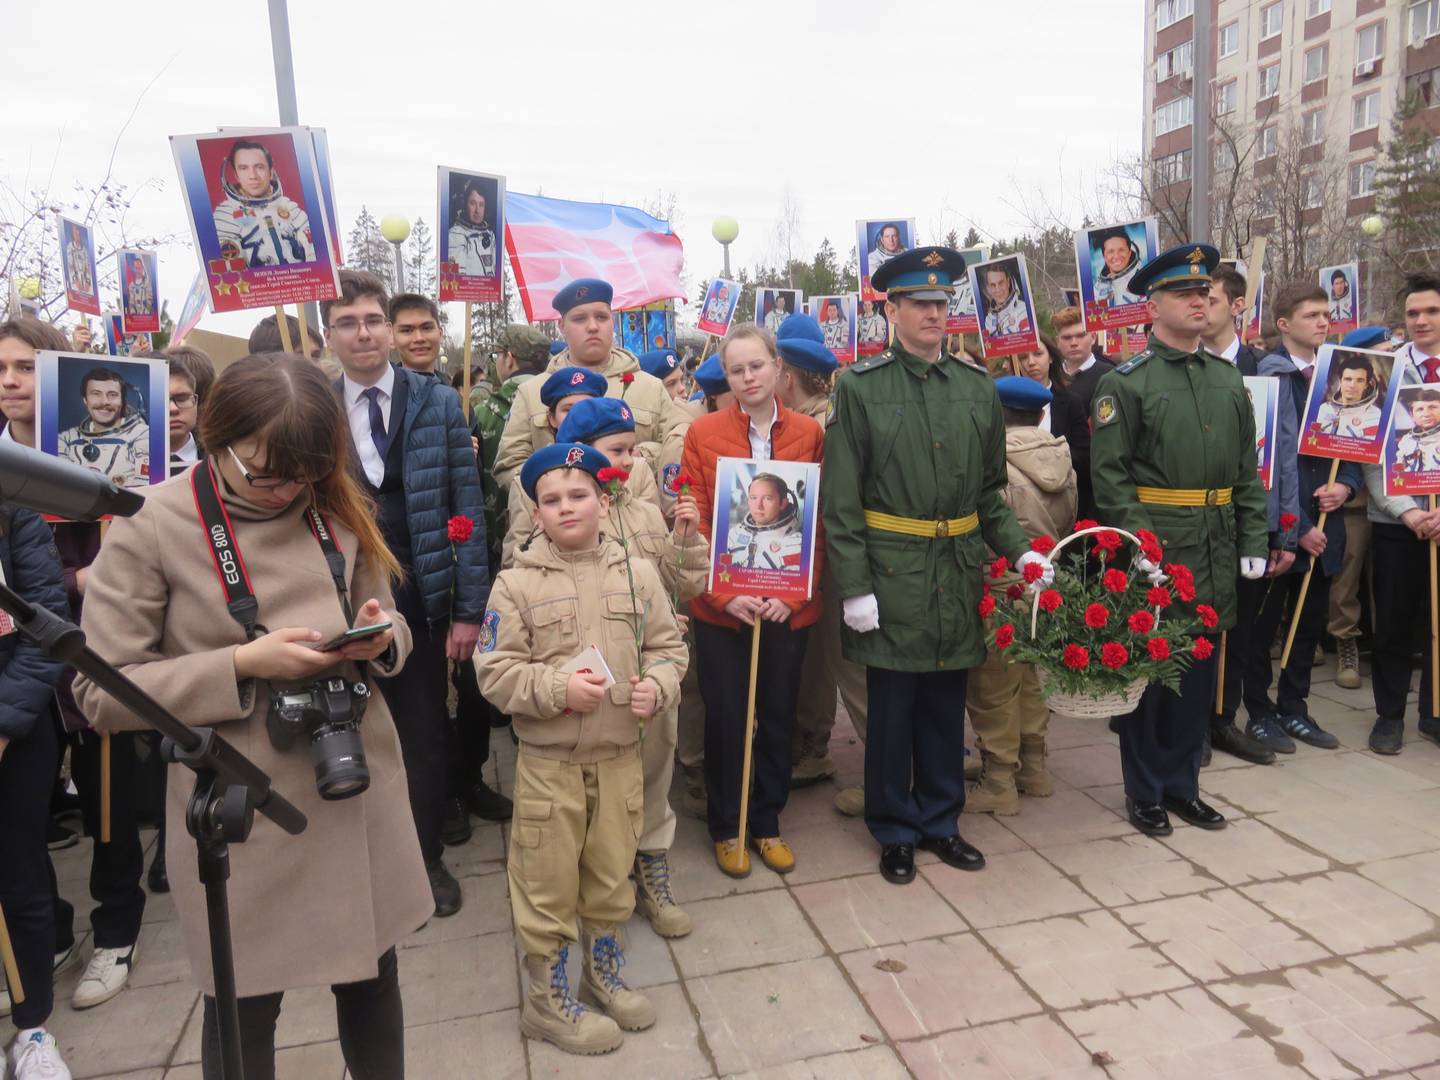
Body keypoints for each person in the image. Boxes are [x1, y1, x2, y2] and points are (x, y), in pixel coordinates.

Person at [74, 353, 432, 1080]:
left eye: (304, 474)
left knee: (372, 974)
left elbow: (389, 618)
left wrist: (379, 635)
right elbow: (101, 694)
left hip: (353, 778)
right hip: (242, 802)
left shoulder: (329, 497)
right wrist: (241, 666)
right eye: (266, 474)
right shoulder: (150, 526)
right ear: (216, 438)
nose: (287, 492)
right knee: (242, 1004)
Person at [823, 247, 1050, 885]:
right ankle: (895, 828)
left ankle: (942, 821)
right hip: (892, 573)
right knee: (893, 710)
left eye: (940, 303)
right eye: (918, 303)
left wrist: (1022, 551)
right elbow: (843, 503)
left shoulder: (976, 387)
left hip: (956, 568)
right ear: (890, 310)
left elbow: (987, 493)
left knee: (946, 707)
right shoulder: (861, 388)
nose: (931, 313)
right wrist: (856, 587)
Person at [476, 442, 687, 1056]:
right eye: (551, 500)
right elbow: (494, 672)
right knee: (545, 885)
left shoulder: (637, 573)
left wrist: (659, 686)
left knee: (611, 875)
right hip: (550, 769)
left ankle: (603, 972)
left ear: (604, 499)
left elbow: (669, 650)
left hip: (621, 759)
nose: (567, 508)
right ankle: (546, 1002)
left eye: (579, 495)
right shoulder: (515, 585)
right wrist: (555, 688)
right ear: (534, 511)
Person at [506, 398, 707, 937]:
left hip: (643, 683)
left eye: (634, 447)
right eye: (617, 450)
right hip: (580, 697)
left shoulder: (643, 514)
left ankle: (649, 869)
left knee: (653, 779)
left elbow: (680, 585)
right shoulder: (541, 516)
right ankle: (591, 886)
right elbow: (519, 596)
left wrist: (687, 542)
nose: (633, 458)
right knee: (589, 803)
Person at [324, 269, 488, 917]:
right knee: (349, 732)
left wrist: (468, 608)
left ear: (390, 330)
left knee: (421, 732)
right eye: (348, 323)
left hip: (419, 595)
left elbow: (466, 507)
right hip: (338, 598)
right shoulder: (311, 404)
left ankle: (423, 860)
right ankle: (361, 862)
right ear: (328, 334)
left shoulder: (436, 401)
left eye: (373, 321)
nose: (363, 334)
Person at [1090, 243, 1268, 837]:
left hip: (1217, 544)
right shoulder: (1127, 383)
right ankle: (1144, 791)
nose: (1200, 301)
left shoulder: (1226, 380)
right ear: (1154, 304)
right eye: (1185, 293)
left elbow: (1247, 471)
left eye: (1205, 293)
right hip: (1161, 548)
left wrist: (1254, 539)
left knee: (1199, 676)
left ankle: (1183, 785)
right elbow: (1112, 482)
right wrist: (1142, 549)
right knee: (1150, 678)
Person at [682, 325, 825, 878]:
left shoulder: (809, 432)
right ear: (727, 375)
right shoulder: (703, 433)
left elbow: (815, 525)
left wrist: (795, 594)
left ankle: (766, 821)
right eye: (737, 369)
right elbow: (692, 522)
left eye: (757, 366)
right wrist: (723, 594)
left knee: (777, 714)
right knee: (726, 716)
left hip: (786, 605)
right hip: (726, 608)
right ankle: (727, 825)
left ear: (777, 369)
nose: (748, 378)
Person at [1229, 284, 1354, 756]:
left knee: (1309, 622)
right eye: (1311, 315)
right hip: (1284, 525)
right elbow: (1271, 462)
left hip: (1328, 523)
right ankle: (1259, 711)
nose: (1323, 322)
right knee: (1263, 628)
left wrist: (1348, 487)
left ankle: (1295, 706)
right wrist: (1295, 525)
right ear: (1284, 325)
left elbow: (1355, 446)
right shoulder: (1270, 378)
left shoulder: (1341, 375)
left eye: (1326, 314)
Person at [965, 376, 1077, 815]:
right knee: (1032, 680)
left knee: (993, 686)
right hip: (1045, 583)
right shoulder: (1062, 460)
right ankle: (1034, 766)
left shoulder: (994, 463)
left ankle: (998, 780)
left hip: (998, 583)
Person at [773, 316, 869, 796]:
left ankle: (892, 769)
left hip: (832, 561)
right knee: (816, 663)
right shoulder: (823, 415)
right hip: (819, 562)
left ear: (787, 376)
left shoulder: (816, 427)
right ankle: (812, 749)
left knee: (850, 666)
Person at [0, 498, 75, 1080]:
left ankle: (32, 1030)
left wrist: (3, 723)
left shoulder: (9, 507)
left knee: (20, 879)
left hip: (13, 732)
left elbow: (46, 618)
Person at [493, 278, 690, 493]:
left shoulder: (650, 387)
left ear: (612, 322)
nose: (593, 326)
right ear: (562, 327)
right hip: (561, 520)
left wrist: (639, 456)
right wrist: (552, 477)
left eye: (601, 317)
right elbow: (509, 466)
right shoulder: (531, 393)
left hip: (634, 519)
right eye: (579, 319)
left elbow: (677, 450)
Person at [1362, 272, 1440, 753]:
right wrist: (1408, 512)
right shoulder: (1382, 370)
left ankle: (1434, 712)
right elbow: (1371, 450)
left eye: (1431, 311)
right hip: (1396, 522)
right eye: (1412, 313)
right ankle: (1389, 715)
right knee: (1391, 623)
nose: (1421, 320)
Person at [1330, 324, 1392, 689]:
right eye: (1383, 351)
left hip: (1399, 502)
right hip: (1355, 501)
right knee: (1346, 574)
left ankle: (1388, 646)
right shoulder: (1336, 401)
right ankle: (1345, 641)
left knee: (1387, 577)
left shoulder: (1402, 390)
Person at [477, 324, 552, 568]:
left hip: (494, 542)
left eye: (496, 356)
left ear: (509, 358)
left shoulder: (481, 413)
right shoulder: (566, 402)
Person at [212, 139, 315, 267]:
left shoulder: (290, 208)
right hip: (256, 285)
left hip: (299, 282)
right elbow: (229, 269)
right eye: (244, 168)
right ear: (237, 175)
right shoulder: (225, 215)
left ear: (271, 172)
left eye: (259, 167)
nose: (253, 176)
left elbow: (317, 250)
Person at [56, 366, 150, 489]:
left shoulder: (142, 435)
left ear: (122, 400)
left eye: (112, 395)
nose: (105, 401)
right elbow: (60, 487)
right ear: (85, 400)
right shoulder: (66, 439)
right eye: (96, 394)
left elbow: (144, 492)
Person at [1051, 306, 1116, 417]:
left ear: (1093, 337)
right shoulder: (1051, 375)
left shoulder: (1109, 374)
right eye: (1067, 338)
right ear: (1058, 342)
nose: (1074, 343)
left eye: (1081, 335)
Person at [1201, 266, 1265, 375]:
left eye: (1211, 302)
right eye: (1196, 303)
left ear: (1236, 306)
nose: (1200, 310)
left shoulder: (1266, 367)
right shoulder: (1177, 367)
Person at [1315, 354, 1384, 439]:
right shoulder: (1324, 409)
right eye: (1348, 379)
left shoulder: (1374, 415)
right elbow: (1312, 438)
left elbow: (1369, 448)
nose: (1352, 385)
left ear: (1366, 384)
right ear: (1340, 381)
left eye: (1360, 380)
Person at [448, 180, 497, 278]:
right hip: (467, 291)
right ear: (465, 205)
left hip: (488, 292)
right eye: (473, 203)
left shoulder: (490, 235)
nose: (477, 210)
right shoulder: (456, 234)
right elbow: (457, 276)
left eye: (481, 205)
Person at [389, 293, 444, 375]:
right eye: (407, 330)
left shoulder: (449, 387)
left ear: (440, 334)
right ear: (391, 338)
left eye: (427, 328)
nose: (419, 338)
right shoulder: (384, 387)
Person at [1093, 226, 1143, 307]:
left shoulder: (1142, 281)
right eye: (1111, 251)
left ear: (1129, 253)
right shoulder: (1097, 289)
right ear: (1104, 256)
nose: (1116, 256)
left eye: (1121, 250)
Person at [981, 263, 1031, 338]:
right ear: (989, 288)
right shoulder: (989, 319)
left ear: (1008, 282)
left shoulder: (1024, 310)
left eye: (1001, 283)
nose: (998, 290)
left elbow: (1027, 340)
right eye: (993, 285)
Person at [1396, 389, 1440, 472]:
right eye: (1420, 409)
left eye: (1433, 407)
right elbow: (1398, 466)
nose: (1426, 414)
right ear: (1412, 415)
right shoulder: (1407, 440)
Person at [65, 223, 93, 296]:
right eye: (75, 232)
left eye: (78, 232)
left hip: (85, 282)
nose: (78, 234)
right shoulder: (70, 247)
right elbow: (70, 265)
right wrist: (76, 280)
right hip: (75, 282)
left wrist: (87, 281)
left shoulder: (84, 250)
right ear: (73, 235)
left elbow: (88, 267)